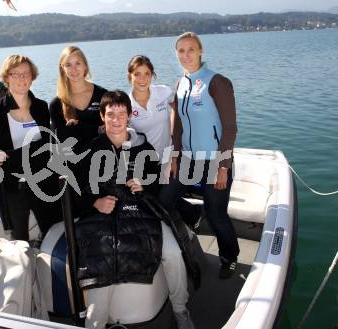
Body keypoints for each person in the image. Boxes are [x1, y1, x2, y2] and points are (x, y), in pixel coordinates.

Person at [75, 90, 194, 329]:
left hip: (141, 211)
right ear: (102, 116)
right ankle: (94, 324)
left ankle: (180, 309)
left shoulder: (143, 147)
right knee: (102, 260)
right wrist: (94, 203)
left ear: (129, 116)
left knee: (172, 253)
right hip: (104, 217)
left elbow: (156, 181)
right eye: (111, 114)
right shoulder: (89, 150)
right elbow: (72, 191)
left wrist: (145, 184)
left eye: (121, 114)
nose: (116, 120)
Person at [159, 32, 239, 279]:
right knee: (164, 199)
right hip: (187, 160)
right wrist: (174, 156)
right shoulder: (180, 83)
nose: (186, 55)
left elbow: (229, 128)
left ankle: (230, 255)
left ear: (200, 51)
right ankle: (192, 215)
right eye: (181, 50)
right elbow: (179, 126)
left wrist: (223, 166)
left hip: (216, 161)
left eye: (191, 49)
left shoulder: (217, 82)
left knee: (217, 215)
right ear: (176, 54)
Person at [0, 55, 61, 241]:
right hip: (13, 186)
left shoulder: (41, 107)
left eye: (26, 74)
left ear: (32, 77)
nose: (22, 79)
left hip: (44, 181)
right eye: (16, 74)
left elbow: (46, 145)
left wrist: (8, 155)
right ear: (7, 78)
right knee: (18, 239)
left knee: (53, 232)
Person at [127, 55, 202, 227]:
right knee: (151, 198)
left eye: (147, 74)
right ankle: (193, 214)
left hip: (173, 157)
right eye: (137, 74)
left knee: (163, 199)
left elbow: (180, 107)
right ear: (130, 75)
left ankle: (190, 218)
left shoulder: (162, 92)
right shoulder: (127, 104)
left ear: (152, 75)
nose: (142, 79)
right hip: (147, 164)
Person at [49, 46, 107, 151]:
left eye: (78, 63)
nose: (74, 69)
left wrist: (76, 128)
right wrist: (96, 129)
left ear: (85, 66)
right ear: (62, 68)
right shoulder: (56, 104)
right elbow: (57, 143)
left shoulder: (103, 95)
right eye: (68, 65)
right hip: (73, 164)